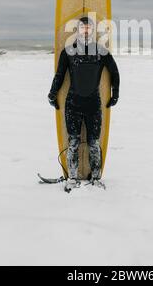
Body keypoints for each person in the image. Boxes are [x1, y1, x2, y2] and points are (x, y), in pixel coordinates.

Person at [48, 16, 120, 189]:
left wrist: (115, 94)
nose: (85, 31)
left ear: (93, 31)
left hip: (93, 104)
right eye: (82, 28)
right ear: (77, 30)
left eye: (88, 28)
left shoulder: (101, 51)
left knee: (94, 143)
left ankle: (96, 177)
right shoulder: (69, 52)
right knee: (73, 142)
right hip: (73, 103)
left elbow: (115, 73)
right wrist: (52, 94)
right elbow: (59, 75)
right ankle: (72, 178)